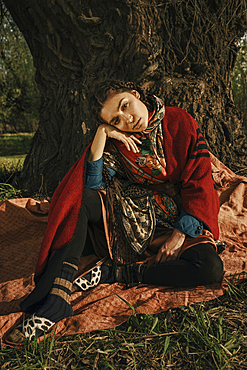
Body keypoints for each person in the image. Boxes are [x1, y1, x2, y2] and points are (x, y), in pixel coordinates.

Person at [9, 80, 223, 342]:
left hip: (180, 215)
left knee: (209, 269)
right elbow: (93, 186)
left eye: (125, 106)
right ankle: (57, 296)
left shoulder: (179, 121)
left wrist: (180, 234)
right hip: (131, 213)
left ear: (135, 94)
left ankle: (117, 273)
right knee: (83, 201)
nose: (127, 119)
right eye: (116, 120)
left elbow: (200, 180)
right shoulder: (119, 141)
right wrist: (102, 134)